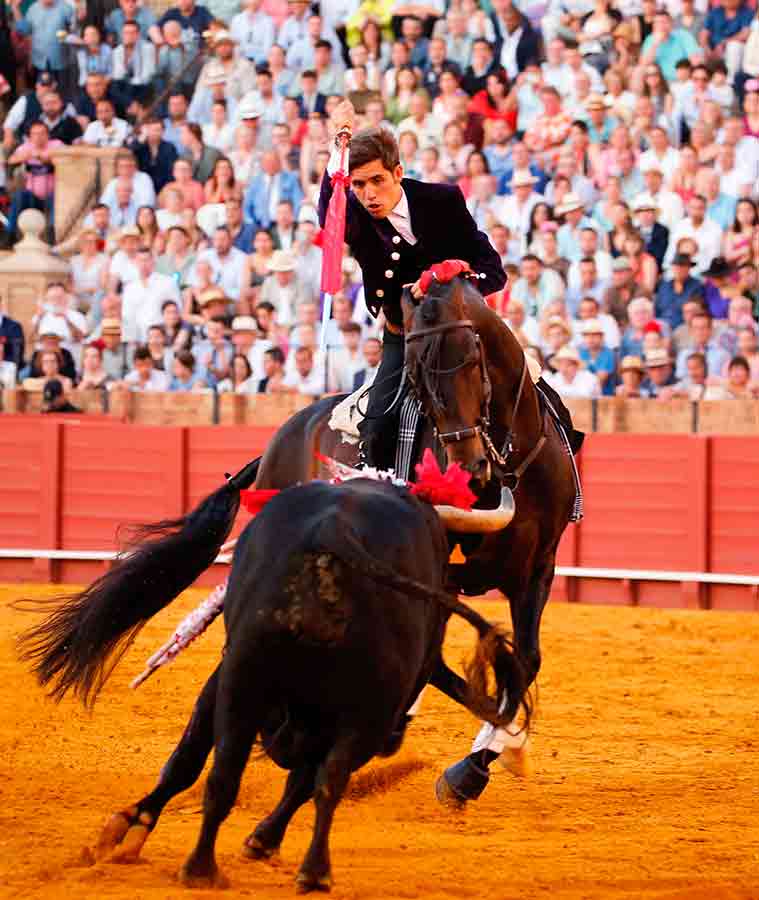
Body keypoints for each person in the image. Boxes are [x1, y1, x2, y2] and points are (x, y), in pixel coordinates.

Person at [319, 99, 506, 469]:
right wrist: (339, 146)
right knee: (376, 422)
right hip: (404, 338)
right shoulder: (353, 214)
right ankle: (381, 500)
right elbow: (329, 212)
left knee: (530, 392)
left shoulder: (443, 201)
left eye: (377, 181)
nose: (369, 194)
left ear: (398, 173)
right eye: (359, 185)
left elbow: (494, 270)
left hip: (462, 331)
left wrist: (456, 278)